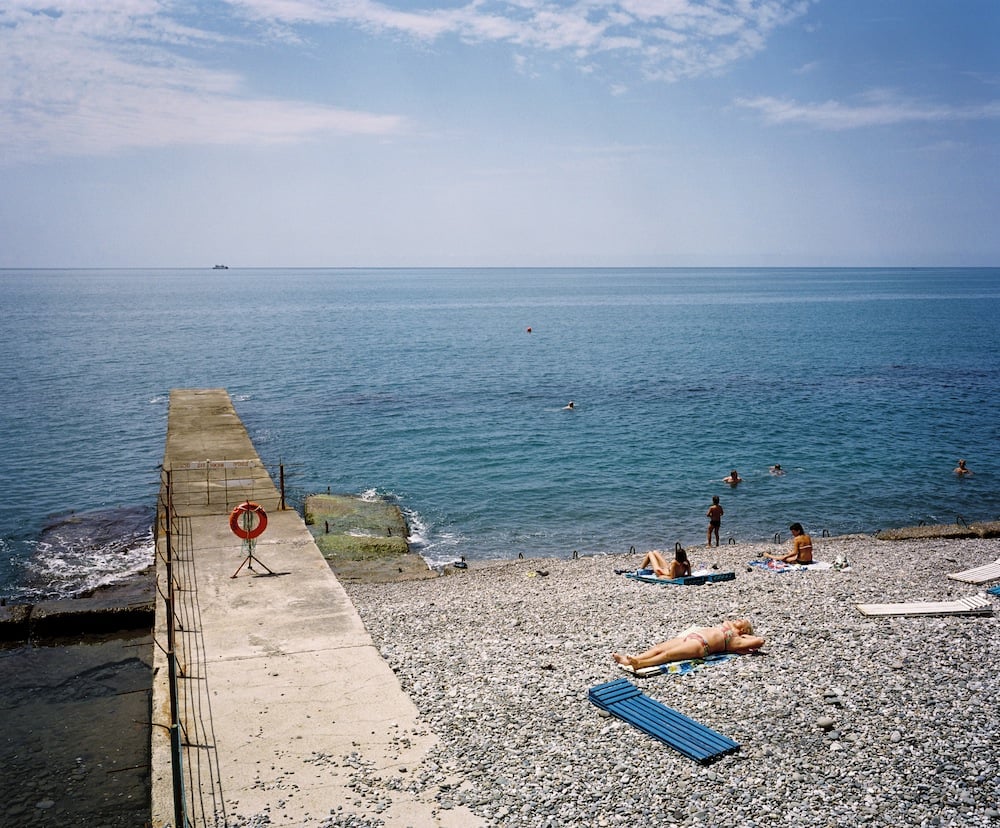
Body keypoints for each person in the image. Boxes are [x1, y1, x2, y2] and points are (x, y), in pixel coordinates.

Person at [612, 619, 764, 670]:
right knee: (658, 647)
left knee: (668, 655)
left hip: (701, 645)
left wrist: (744, 635)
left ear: (745, 629)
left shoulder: (737, 640)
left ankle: (641, 664)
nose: (739, 618)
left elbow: (760, 641)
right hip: (691, 637)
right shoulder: (729, 626)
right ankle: (630, 659)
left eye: (743, 621)